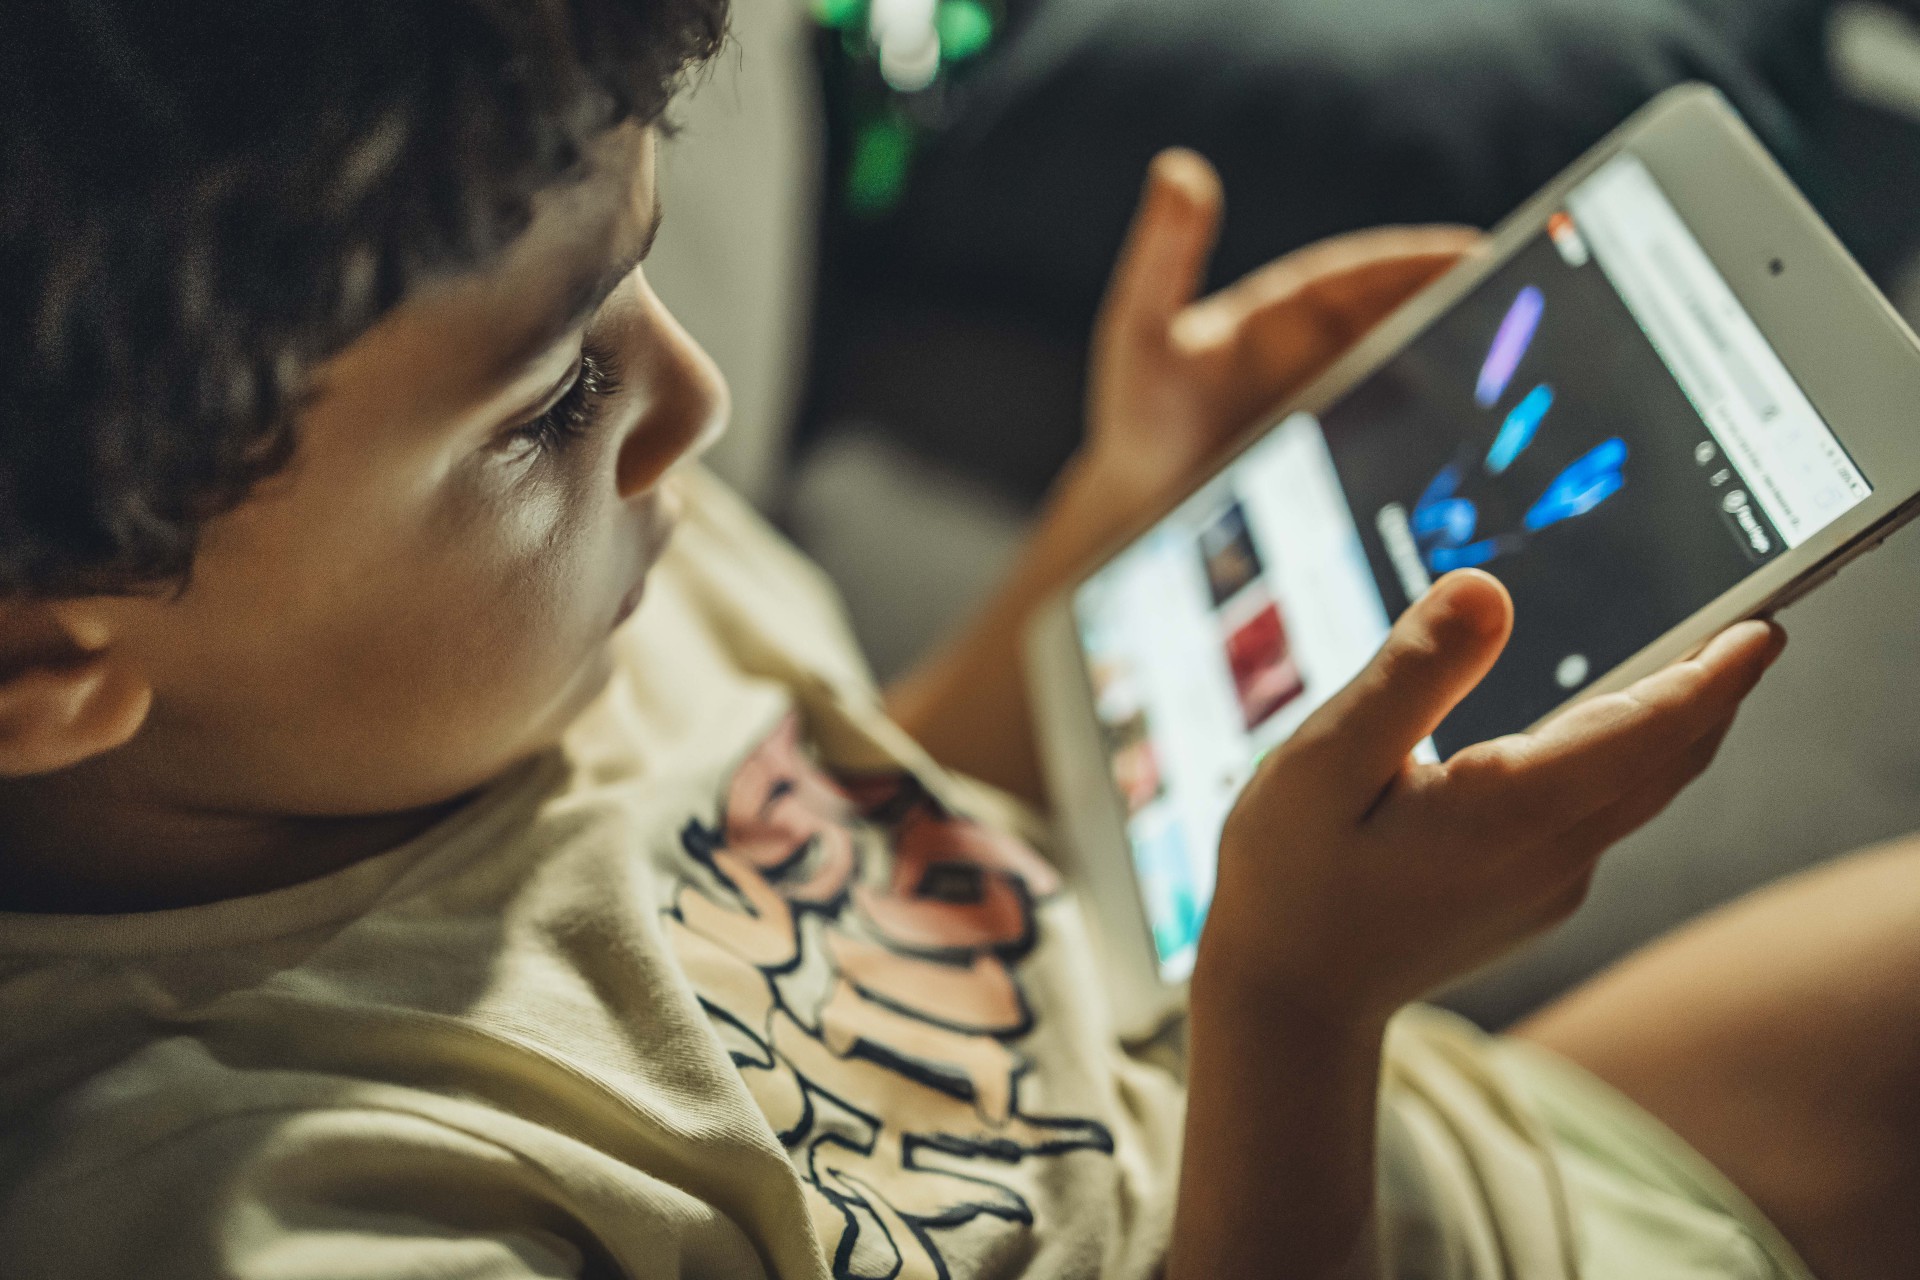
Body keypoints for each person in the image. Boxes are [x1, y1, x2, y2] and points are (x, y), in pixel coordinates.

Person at [0, 5, 1912, 1279]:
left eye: (641, 276)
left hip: (1523, 1151)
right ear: (45, 667)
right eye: (552, 393)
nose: (697, 399)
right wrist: (1299, 1010)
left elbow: (858, 826)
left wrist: (1103, 525)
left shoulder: (544, 614)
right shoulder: (299, 1208)